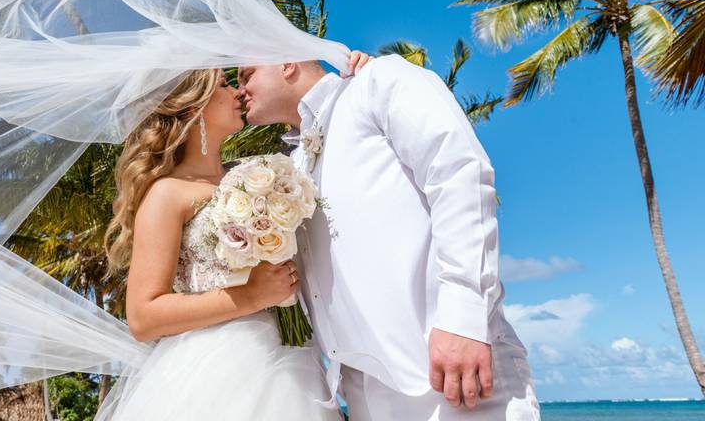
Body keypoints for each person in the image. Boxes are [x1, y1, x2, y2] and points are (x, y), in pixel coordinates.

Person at [237, 55, 540, 421]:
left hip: (452, 376)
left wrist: (464, 320)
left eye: (245, 75)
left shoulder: (378, 81)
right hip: (363, 395)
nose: (240, 90)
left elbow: (459, 175)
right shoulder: (293, 162)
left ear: (286, 63)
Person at [94, 51, 372, 421]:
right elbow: (143, 316)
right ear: (195, 110)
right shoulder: (167, 194)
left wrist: (355, 83)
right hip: (217, 370)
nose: (239, 93)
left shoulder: (257, 173)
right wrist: (251, 295)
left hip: (292, 362)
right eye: (225, 85)